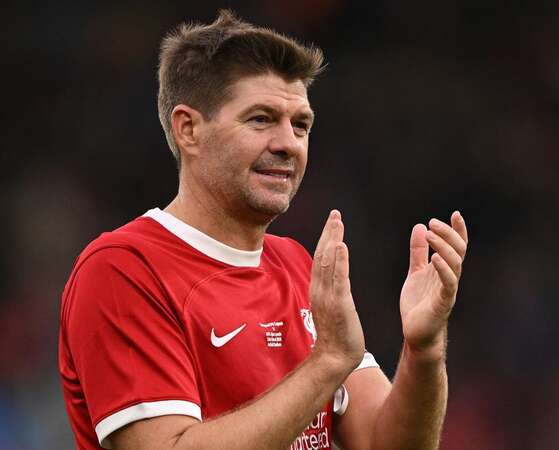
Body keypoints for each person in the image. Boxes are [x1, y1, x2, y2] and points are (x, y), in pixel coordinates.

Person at [58, 10, 469, 450]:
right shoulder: (124, 270)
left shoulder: (296, 265)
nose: (288, 143)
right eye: (260, 119)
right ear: (188, 129)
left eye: (301, 125)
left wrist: (423, 350)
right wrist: (327, 363)